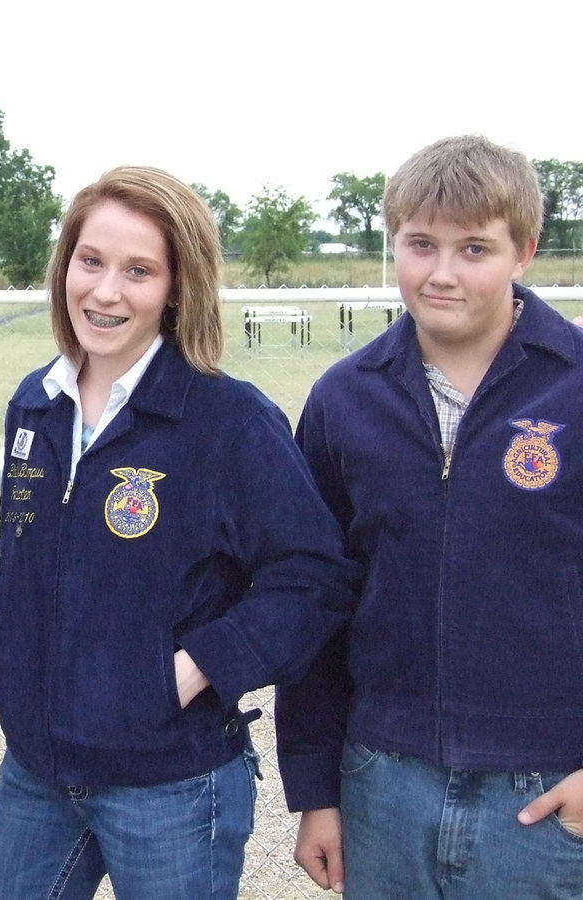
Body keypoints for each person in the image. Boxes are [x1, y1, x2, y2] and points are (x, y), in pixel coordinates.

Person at [0, 166, 357, 899]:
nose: (106, 291)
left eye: (139, 271)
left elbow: (313, 578)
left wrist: (187, 670)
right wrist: (10, 651)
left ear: (177, 287)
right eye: (91, 262)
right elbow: (20, 554)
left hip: (171, 782)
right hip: (39, 771)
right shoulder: (36, 403)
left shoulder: (228, 421)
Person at [276, 134, 583, 898]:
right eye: (420, 245)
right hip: (382, 783)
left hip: (544, 794)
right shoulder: (344, 400)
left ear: (524, 252)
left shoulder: (576, 388)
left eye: (474, 248)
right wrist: (317, 789)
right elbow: (315, 602)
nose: (441, 274)